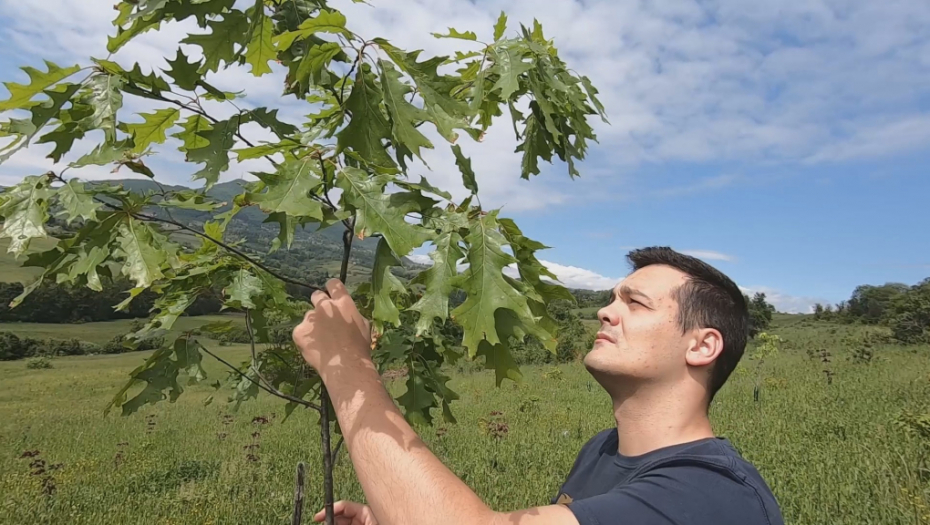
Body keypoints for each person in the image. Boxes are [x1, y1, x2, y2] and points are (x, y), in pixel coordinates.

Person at [293, 247, 784, 525]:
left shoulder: (712, 497)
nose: (605, 310)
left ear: (702, 346)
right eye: (611, 297)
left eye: (634, 303)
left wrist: (347, 368)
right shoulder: (604, 451)